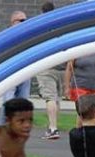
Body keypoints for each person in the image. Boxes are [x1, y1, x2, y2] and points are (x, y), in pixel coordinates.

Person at [36, 2, 65, 139]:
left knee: (50, 98)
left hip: (46, 65)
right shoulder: (60, 25)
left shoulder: (40, 25)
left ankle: (53, 128)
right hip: (61, 65)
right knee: (56, 98)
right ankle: (53, 126)